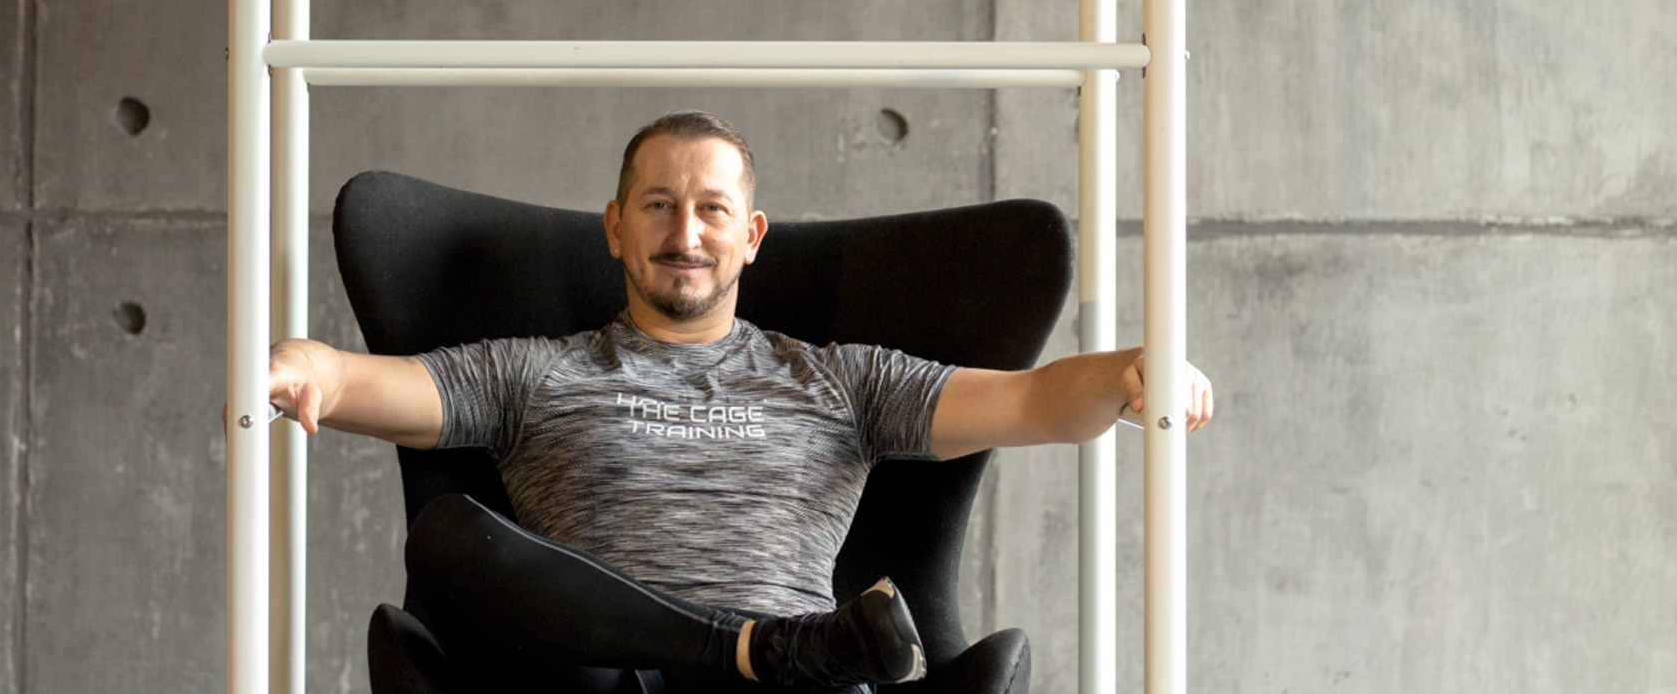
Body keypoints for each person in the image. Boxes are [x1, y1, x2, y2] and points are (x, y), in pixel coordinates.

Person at [269, 112, 1213, 693]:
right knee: (445, 535)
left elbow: (1038, 401)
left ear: (751, 234)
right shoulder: (535, 373)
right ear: (615, 226)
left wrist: (1136, 369)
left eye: (711, 208)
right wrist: (306, 363)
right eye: (657, 204)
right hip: (602, 686)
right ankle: (757, 647)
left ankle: (765, 657)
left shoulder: (841, 380)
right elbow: (357, 381)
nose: (685, 232)